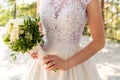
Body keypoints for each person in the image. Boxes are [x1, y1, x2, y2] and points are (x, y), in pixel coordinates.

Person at [22, 0, 105, 80]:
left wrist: (67, 63)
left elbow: (99, 42)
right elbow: (39, 29)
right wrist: (34, 46)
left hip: (71, 66)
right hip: (42, 64)